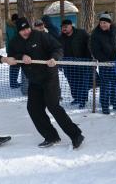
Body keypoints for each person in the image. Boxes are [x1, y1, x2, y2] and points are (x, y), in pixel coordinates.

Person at [8, 17, 84, 149]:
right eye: (22, 30)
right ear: (18, 31)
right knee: (33, 109)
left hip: (49, 77)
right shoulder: (15, 42)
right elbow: (12, 55)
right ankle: (51, 136)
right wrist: (21, 57)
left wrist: (54, 58)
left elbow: (58, 48)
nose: (25, 31)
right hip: (34, 80)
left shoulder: (40, 36)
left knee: (53, 106)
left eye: (27, 28)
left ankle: (76, 135)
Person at [90, 13, 116, 114]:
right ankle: (105, 106)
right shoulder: (96, 34)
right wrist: (104, 61)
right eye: (101, 23)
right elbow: (95, 50)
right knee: (105, 85)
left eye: (105, 23)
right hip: (105, 64)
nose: (103, 25)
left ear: (110, 23)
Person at [59, 19, 92, 108]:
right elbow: (58, 50)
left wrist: (90, 57)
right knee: (72, 82)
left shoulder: (81, 33)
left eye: (66, 27)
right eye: (62, 27)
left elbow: (90, 44)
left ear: (71, 26)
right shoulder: (61, 37)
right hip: (68, 65)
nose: (64, 29)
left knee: (83, 82)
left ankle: (82, 100)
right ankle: (76, 98)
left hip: (83, 63)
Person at [6, 14, 21, 89]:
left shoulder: (12, 26)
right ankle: (13, 83)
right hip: (12, 50)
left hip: (13, 50)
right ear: (14, 20)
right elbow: (13, 39)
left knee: (15, 66)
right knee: (14, 66)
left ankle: (13, 82)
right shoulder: (11, 27)